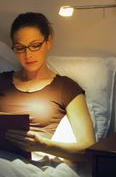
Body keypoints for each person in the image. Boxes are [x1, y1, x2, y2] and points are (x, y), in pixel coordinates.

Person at [0, 12, 96, 162]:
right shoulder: (2, 81)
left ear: (49, 41)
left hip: (32, 166)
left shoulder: (66, 88)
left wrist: (43, 145)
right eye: (20, 48)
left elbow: (88, 150)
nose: (27, 55)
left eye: (35, 45)